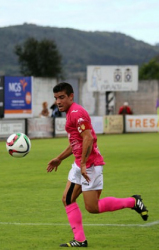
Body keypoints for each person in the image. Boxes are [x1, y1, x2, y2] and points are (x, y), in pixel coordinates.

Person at [46, 82, 148, 247]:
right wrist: (60, 158)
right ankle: (80, 240)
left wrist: (84, 163)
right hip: (80, 164)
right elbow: (76, 143)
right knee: (67, 199)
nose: (58, 101)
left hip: (90, 165)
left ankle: (133, 202)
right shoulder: (70, 113)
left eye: (62, 97)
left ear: (71, 96)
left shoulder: (77, 113)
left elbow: (89, 138)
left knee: (92, 207)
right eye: (56, 98)